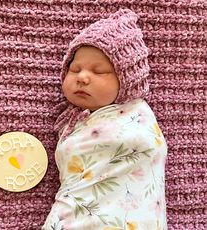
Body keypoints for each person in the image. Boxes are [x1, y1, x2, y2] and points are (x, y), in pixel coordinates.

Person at [42, 9, 168, 230]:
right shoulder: (71, 121)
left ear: (127, 80)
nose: (82, 77)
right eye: (74, 69)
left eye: (99, 71)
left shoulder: (137, 117)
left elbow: (148, 148)